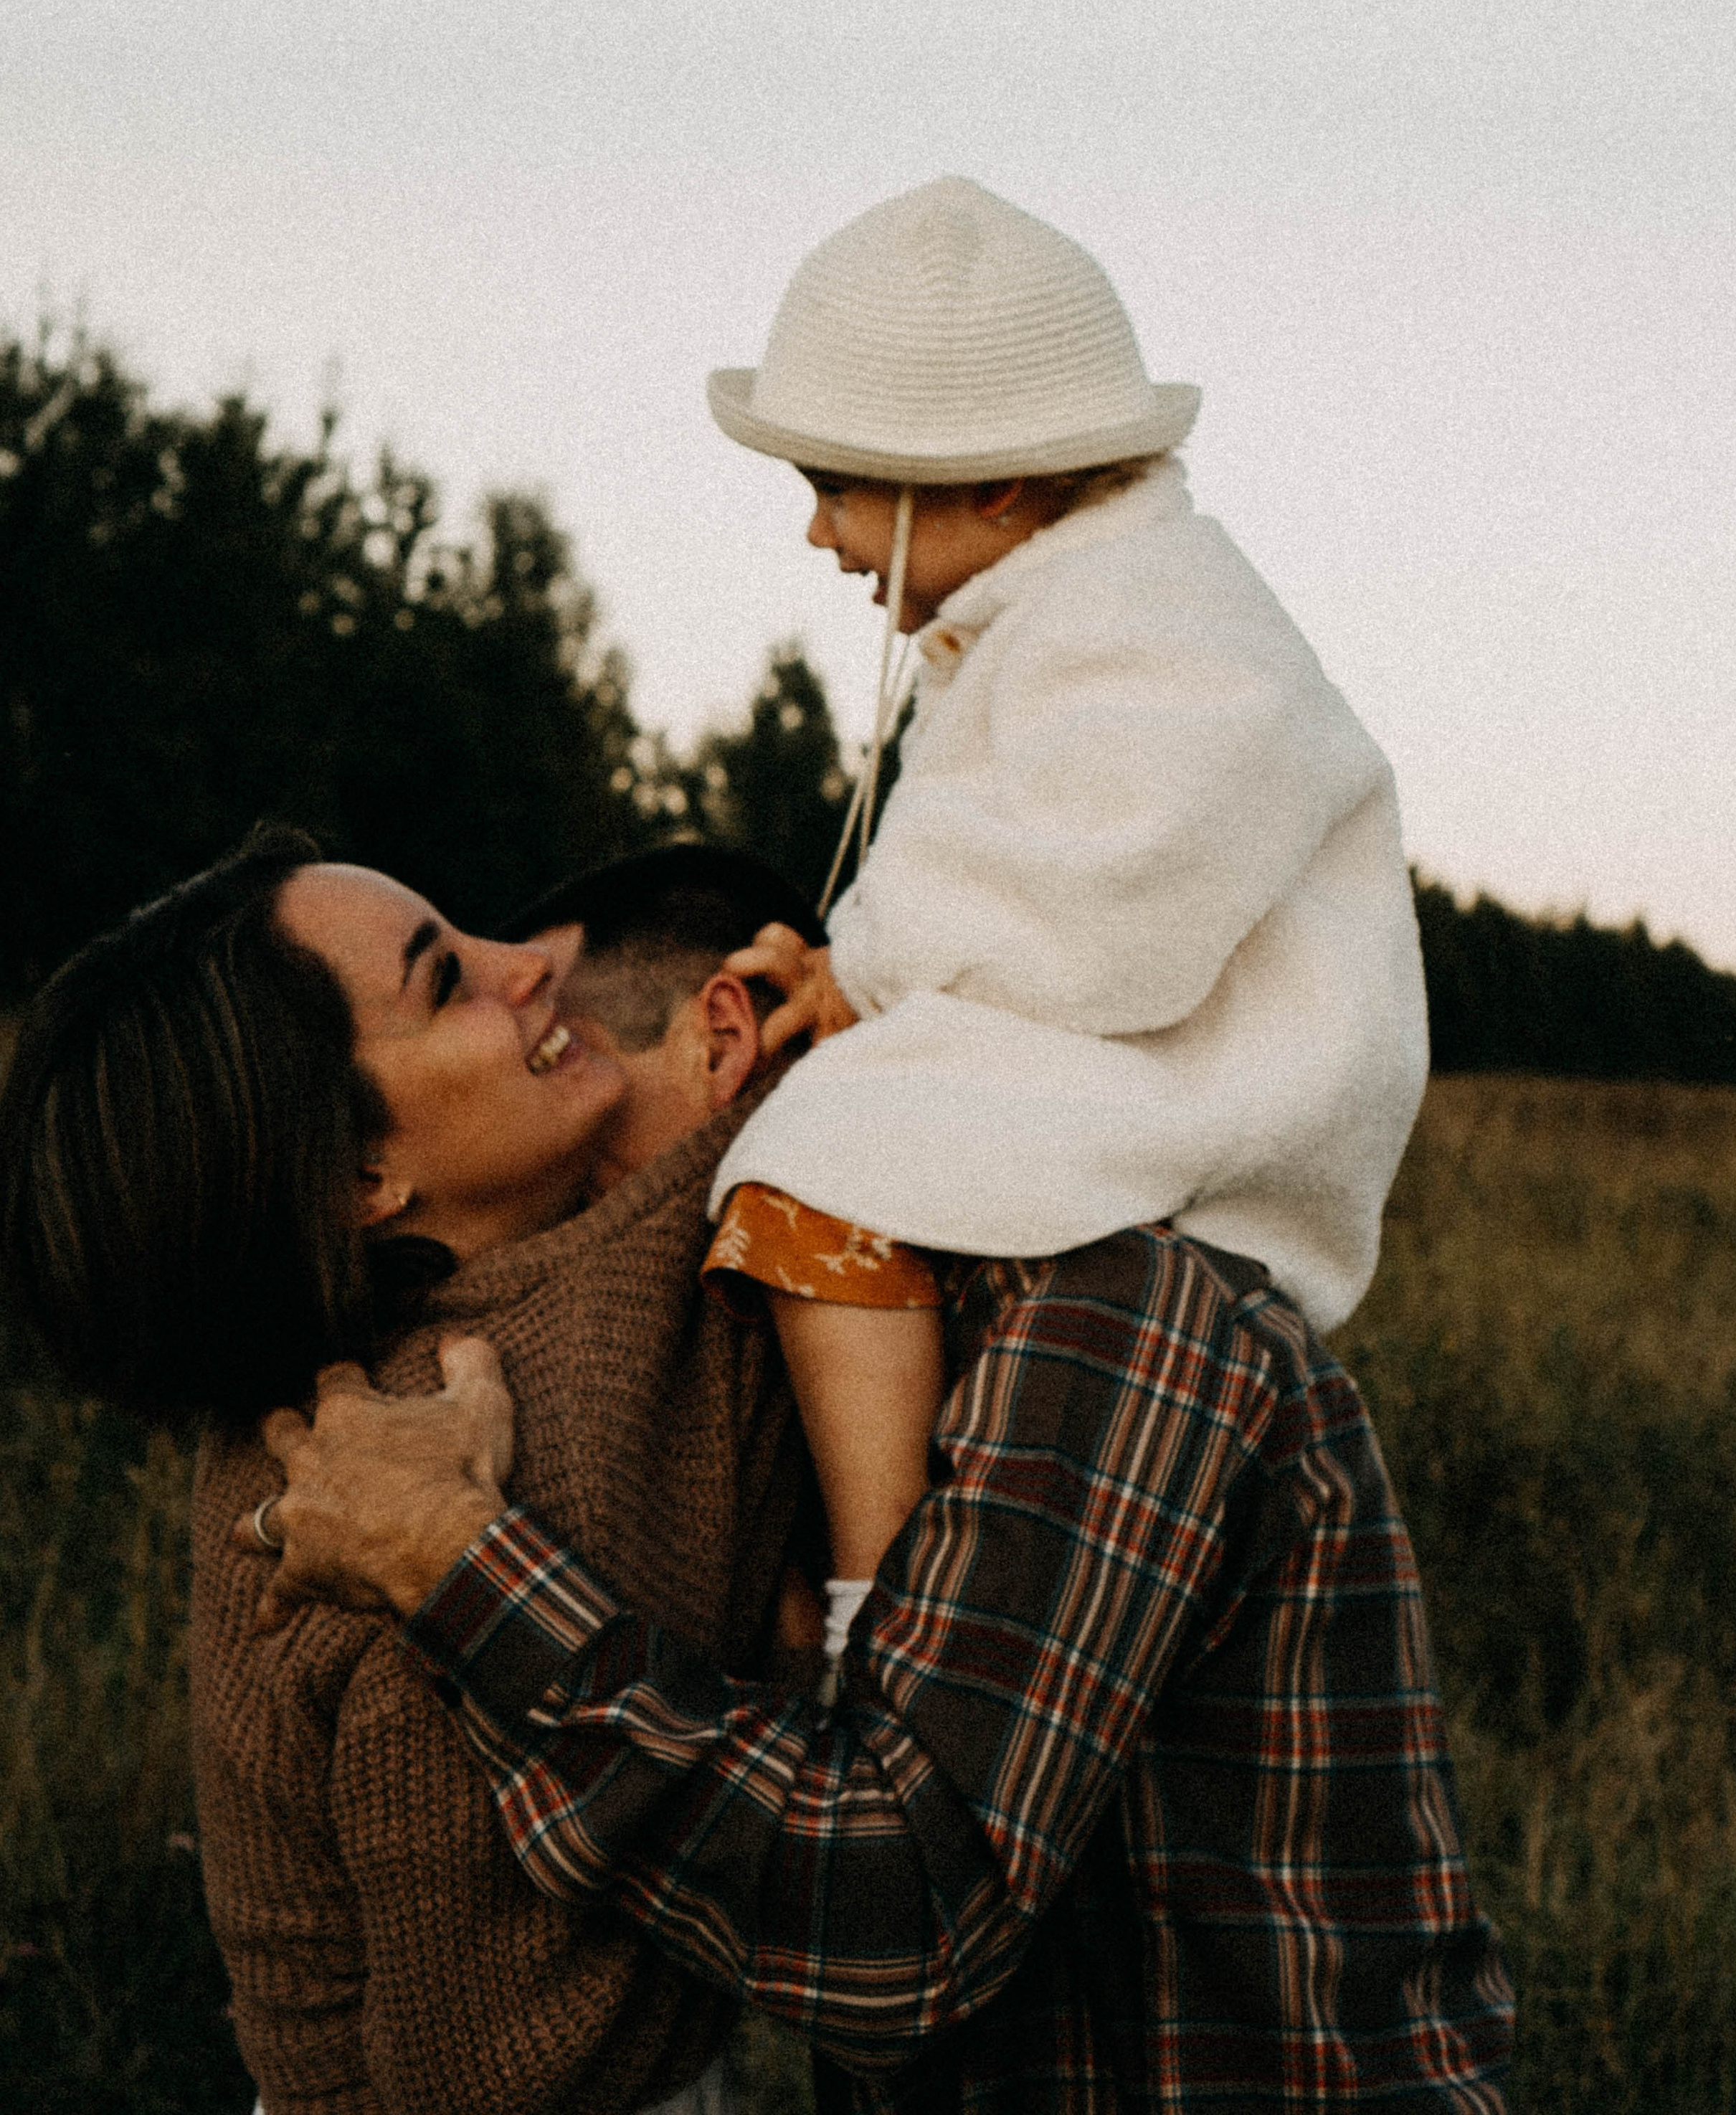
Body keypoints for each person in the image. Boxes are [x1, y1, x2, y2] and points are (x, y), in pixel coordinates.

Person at [238, 1221, 1514, 2111]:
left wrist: (449, 1558)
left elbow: (896, 1914)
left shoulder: (1109, 1317)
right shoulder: (711, 1391)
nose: (530, 985)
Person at [699, 176, 1431, 1675]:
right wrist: (854, 971)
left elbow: (1106, 909)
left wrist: (873, 977)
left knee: (811, 1164)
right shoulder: (1058, 610)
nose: (819, 533)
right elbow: (1019, 875)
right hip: (1133, 1052)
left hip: (1213, 1088)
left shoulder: (1162, 624)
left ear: (994, 489)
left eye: (838, 486)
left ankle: (876, 1603)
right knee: (824, 1119)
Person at [0, 829, 824, 2115]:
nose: (533, 966)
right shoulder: (456, 1450)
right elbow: (474, 2074)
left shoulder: (376, 1363)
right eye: (447, 982)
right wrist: (832, 1031)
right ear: (360, 1176)